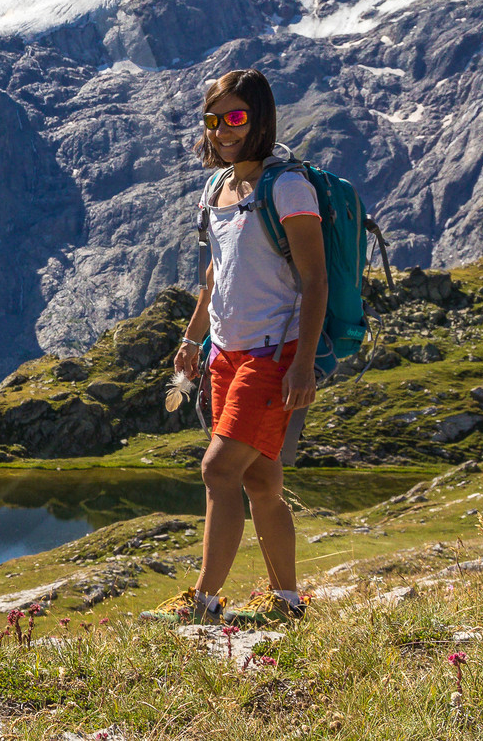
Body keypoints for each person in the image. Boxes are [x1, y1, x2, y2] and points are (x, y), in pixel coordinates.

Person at [141, 70, 325, 626]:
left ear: (261, 118)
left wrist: (304, 362)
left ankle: (202, 602)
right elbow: (217, 274)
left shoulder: (287, 187)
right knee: (262, 482)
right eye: (213, 119)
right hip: (224, 354)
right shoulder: (218, 188)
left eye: (236, 117)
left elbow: (314, 280)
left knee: (219, 472)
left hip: (273, 354)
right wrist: (192, 338)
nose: (222, 130)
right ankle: (287, 601)